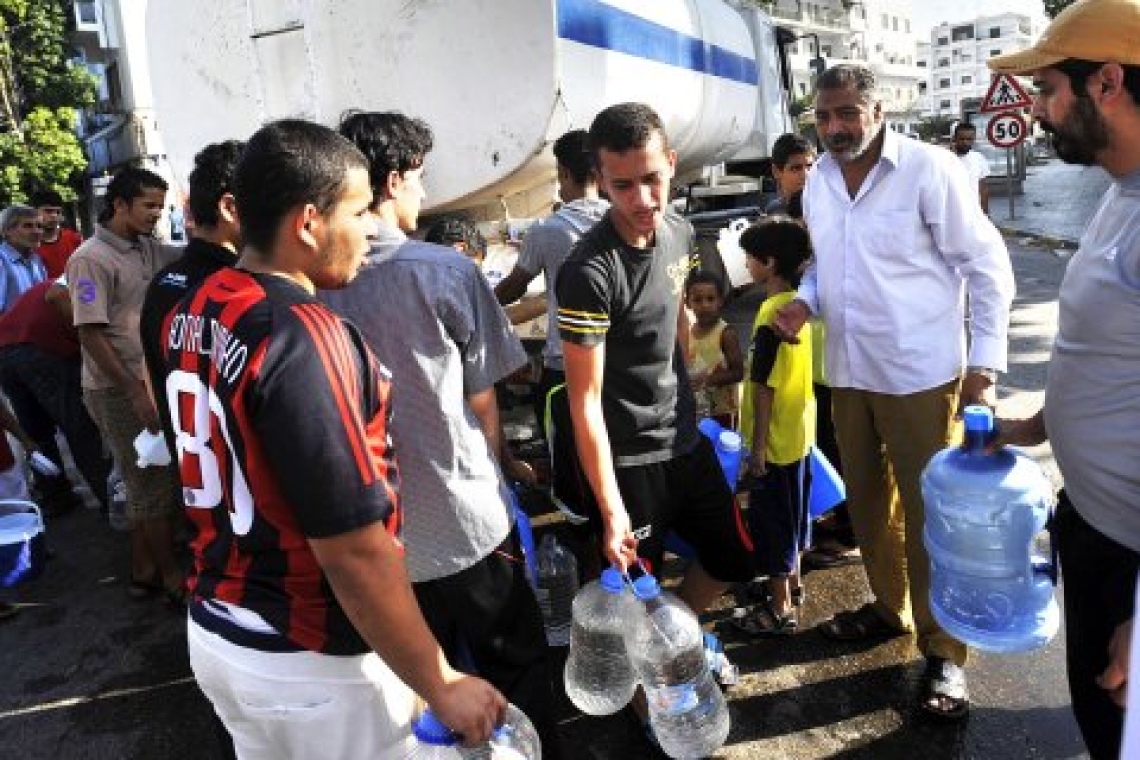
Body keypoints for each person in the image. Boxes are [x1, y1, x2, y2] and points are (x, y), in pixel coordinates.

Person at [164, 119, 505, 759]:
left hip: (219, 628)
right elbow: (354, 549)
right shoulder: (304, 333)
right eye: (356, 211)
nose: (370, 228)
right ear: (308, 222)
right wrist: (440, 679)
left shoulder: (200, 302)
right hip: (306, 654)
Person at [772, 64, 1015, 719]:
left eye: (847, 113)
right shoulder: (819, 179)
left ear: (879, 109)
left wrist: (984, 367)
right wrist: (804, 303)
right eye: (823, 118)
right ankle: (890, 609)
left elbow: (985, 266)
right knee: (872, 511)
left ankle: (945, 651)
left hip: (921, 375)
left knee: (933, 516)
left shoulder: (930, 169)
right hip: (850, 372)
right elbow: (827, 264)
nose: (834, 128)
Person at [323, 111, 561, 758]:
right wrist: (506, 462)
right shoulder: (443, 271)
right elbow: (484, 400)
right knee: (513, 668)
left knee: (413, 692)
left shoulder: (306, 287)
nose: (424, 196)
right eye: (421, 179)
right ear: (393, 180)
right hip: (466, 523)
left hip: (375, 545)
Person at [554, 103, 755, 683]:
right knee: (637, 593)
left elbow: (677, 316)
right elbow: (583, 401)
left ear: (671, 164)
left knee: (733, 557)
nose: (642, 199)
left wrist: (689, 376)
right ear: (601, 178)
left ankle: (673, 644)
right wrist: (612, 511)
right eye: (623, 185)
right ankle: (653, 700)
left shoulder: (682, 231)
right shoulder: (588, 271)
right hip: (627, 457)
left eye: (652, 179)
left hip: (685, 437)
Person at [988, 2, 1140, 755]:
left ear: (1106, 82)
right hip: (1093, 525)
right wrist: (1038, 424)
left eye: (1049, 90)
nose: (1040, 112)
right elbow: (1104, 351)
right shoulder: (1121, 193)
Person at [65, 167, 185, 605]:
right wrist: (135, 392)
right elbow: (90, 334)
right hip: (117, 389)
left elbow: (185, 255)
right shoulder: (90, 259)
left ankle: (144, 571)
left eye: (160, 205)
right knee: (149, 484)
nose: (157, 213)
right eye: (149, 205)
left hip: (148, 382)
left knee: (146, 479)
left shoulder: (147, 247)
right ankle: (174, 579)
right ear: (119, 205)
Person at [729, 218, 815, 637]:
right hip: (800, 433)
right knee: (795, 516)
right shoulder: (801, 306)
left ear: (769, 262)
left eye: (750, 257)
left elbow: (763, 387)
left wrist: (758, 447)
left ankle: (780, 609)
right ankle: (794, 588)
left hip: (776, 441)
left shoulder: (770, 316)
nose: (746, 263)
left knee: (774, 522)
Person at [494, 129, 610, 425]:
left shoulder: (547, 231)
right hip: (614, 361)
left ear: (564, 173)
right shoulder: (617, 221)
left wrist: (478, 297)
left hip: (565, 364)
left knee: (566, 454)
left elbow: (513, 290)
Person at [141, 140, 245, 462]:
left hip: (194, 474)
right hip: (238, 480)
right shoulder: (240, 290)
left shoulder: (163, 283)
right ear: (229, 208)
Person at [0, 279, 111, 515]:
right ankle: (110, 500)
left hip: (6, 349)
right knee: (78, 425)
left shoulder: (74, 276)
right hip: (41, 347)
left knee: (36, 430)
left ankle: (54, 496)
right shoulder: (85, 278)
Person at [683, 269, 743, 428]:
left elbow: (738, 372)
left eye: (711, 299)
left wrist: (708, 380)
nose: (705, 305)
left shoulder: (725, 333)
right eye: (697, 300)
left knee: (718, 451)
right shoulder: (687, 332)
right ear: (687, 303)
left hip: (723, 412)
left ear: (720, 301)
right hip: (696, 410)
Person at [0, 205, 48, 314]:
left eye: (39, 226)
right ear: (7, 231)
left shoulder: (36, 259)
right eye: (28, 226)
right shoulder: (2, 261)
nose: (36, 232)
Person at [30, 190, 82, 278]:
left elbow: (85, 274)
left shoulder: (74, 238)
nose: (54, 216)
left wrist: (89, 292)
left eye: (58, 212)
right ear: (33, 212)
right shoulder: (27, 245)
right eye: (48, 211)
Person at [764, 133, 816, 216]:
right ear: (776, 172)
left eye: (810, 166)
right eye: (796, 168)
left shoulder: (828, 208)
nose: (806, 174)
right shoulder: (774, 213)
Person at [950, 122, 991, 214]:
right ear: (954, 139)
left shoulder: (979, 158)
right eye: (962, 139)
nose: (965, 142)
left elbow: (983, 189)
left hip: (974, 212)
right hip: (952, 213)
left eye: (969, 139)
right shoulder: (945, 158)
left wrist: (985, 213)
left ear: (974, 139)